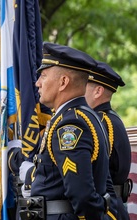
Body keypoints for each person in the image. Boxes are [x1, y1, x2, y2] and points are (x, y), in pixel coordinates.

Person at [19, 42, 116, 219]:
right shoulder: (83, 115)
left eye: (44, 76)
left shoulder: (70, 124)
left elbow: (83, 195)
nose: (37, 83)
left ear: (63, 82)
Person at [85, 61, 132, 219]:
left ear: (98, 91)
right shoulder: (109, 118)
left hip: (108, 208)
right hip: (114, 205)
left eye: (83, 86)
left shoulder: (98, 122)